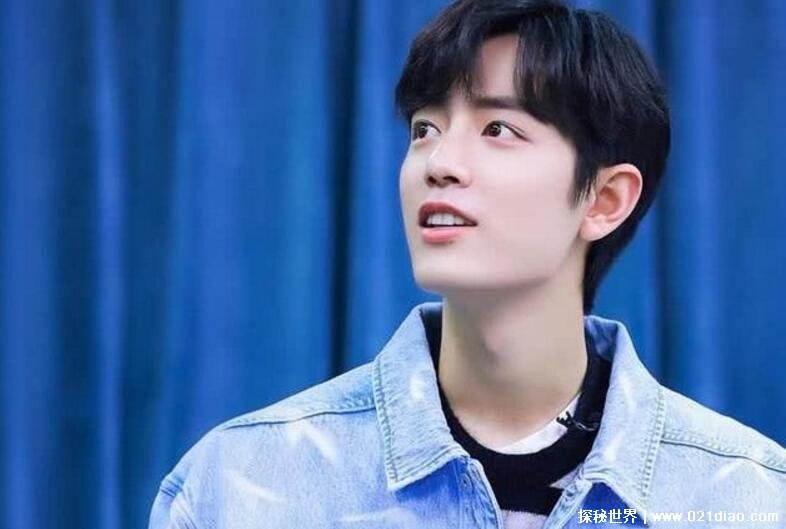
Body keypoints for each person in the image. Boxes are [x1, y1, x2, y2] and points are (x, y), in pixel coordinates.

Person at [148, 1, 786, 527]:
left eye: (497, 129)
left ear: (605, 199)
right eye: (424, 129)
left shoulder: (746, 500)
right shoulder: (241, 487)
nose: (439, 163)